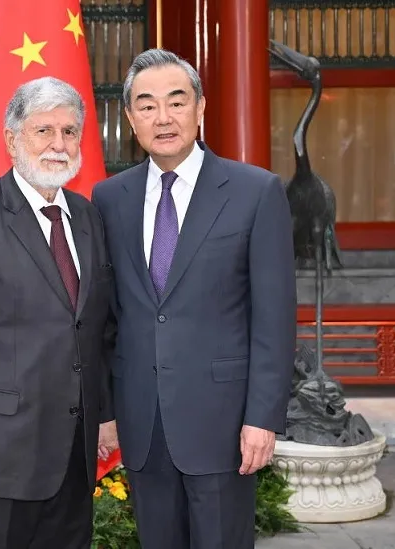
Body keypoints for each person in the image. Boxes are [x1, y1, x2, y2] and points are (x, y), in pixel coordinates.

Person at [90, 49, 297, 548]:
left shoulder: (255, 192)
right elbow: (105, 319)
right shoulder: (109, 198)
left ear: (200, 108)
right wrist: (105, 410)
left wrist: (262, 418)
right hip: (142, 420)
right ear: (130, 119)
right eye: (147, 105)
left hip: (223, 422)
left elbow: (274, 318)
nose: (163, 117)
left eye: (176, 102)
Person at [0, 76, 118, 549]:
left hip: (74, 453)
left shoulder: (88, 217)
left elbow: (96, 329)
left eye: (70, 132)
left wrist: (106, 414)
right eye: (43, 130)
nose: (58, 144)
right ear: (13, 139)